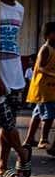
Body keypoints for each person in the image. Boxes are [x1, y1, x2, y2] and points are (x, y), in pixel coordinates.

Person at [0, 0, 32, 177]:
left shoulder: (20, 9)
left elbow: (13, 41)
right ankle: (23, 152)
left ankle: (1, 166)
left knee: (7, 125)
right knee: (7, 122)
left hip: (15, 72)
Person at [23, 21, 55, 150]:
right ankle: (43, 140)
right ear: (47, 35)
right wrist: (53, 74)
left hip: (48, 87)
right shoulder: (46, 48)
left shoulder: (52, 49)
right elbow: (40, 67)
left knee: (37, 113)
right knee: (48, 115)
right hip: (44, 88)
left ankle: (29, 139)